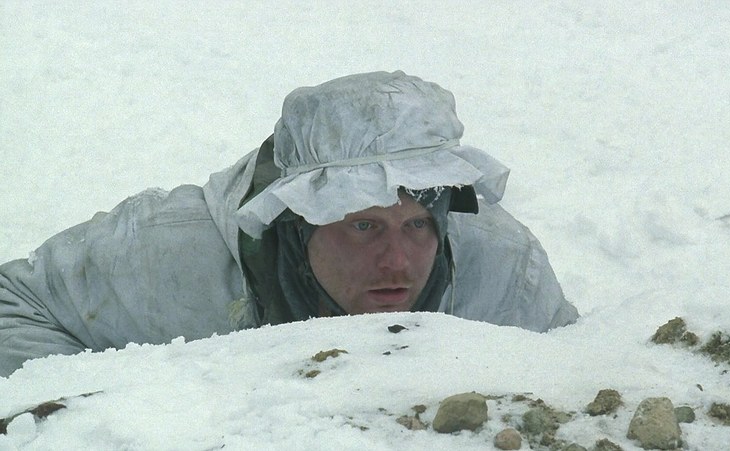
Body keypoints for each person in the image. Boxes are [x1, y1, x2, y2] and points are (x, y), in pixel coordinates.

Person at [0, 71, 578, 377]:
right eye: (364, 227)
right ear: (297, 220)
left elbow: (577, 383)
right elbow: (14, 303)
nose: (397, 262)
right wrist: (118, 417)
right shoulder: (168, 252)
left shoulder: (504, 270)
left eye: (418, 226)